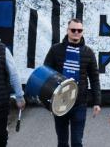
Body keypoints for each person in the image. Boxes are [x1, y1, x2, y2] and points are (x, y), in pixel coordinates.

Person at [43, 18, 102, 147]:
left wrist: (97, 102)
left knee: (77, 142)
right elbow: (46, 73)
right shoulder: (55, 50)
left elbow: (94, 79)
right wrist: (48, 100)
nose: (76, 32)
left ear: (82, 32)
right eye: (73, 30)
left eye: (79, 30)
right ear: (67, 30)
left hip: (79, 103)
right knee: (62, 142)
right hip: (59, 103)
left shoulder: (88, 52)